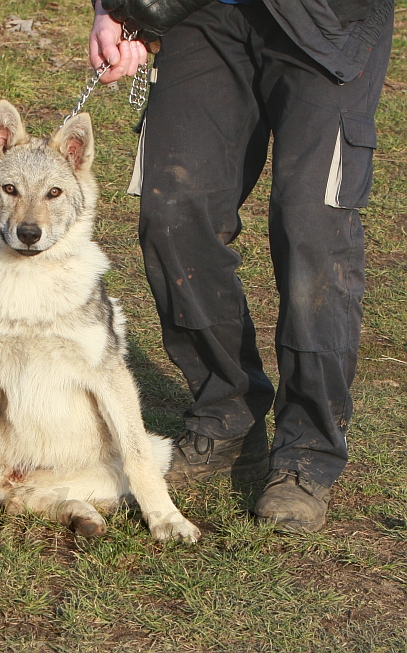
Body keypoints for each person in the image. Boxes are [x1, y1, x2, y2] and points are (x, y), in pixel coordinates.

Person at [89, 0, 393, 531]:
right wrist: (115, 5)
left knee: (310, 229)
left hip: (327, 23)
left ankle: (308, 452)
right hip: (201, 16)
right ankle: (226, 415)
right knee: (172, 211)